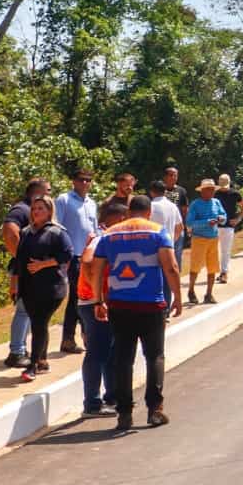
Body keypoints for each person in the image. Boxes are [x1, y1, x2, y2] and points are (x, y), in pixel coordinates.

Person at [95, 195, 182, 430]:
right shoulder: (158, 232)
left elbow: (97, 269)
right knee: (154, 356)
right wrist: (177, 297)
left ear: (128, 212)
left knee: (123, 359)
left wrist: (98, 300)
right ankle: (155, 409)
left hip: (119, 305)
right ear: (149, 212)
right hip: (150, 304)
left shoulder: (109, 234)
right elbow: (171, 267)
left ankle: (124, 413)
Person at [13, 195, 74, 383]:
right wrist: (14, 283)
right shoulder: (26, 232)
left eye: (41, 208)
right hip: (28, 286)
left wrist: (43, 264)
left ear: (49, 211)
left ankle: (32, 366)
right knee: (38, 324)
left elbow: (67, 254)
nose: (36, 211)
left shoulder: (57, 232)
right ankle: (42, 360)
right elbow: (18, 259)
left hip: (51, 287)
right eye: (34, 208)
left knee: (39, 322)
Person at [78, 200, 126, 418]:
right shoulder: (100, 239)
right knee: (97, 353)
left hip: (101, 303)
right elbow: (87, 262)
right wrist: (98, 298)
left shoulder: (108, 239)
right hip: (94, 304)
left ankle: (112, 396)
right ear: (118, 219)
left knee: (109, 352)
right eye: (125, 219)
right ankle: (92, 404)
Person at [1, 179, 49, 369]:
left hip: (34, 269)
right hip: (26, 270)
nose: (50, 194)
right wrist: (24, 258)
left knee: (30, 311)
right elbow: (9, 231)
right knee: (23, 310)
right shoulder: (21, 209)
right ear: (37, 193)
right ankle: (16, 352)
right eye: (48, 190)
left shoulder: (32, 211)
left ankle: (22, 349)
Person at [55, 168, 99, 355]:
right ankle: (70, 338)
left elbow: (94, 229)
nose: (85, 183)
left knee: (87, 296)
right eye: (81, 179)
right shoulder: (64, 200)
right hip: (72, 256)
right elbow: (57, 227)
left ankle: (84, 335)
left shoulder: (92, 203)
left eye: (88, 180)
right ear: (73, 181)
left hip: (88, 255)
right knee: (77, 297)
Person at [185, 179, 226, 305]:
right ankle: (191, 290)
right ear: (202, 191)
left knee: (213, 267)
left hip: (213, 238)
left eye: (213, 190)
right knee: (195, 266)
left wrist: (221, 218)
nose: (211, 192)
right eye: (209, 189)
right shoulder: (195, 204)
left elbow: (224, 215)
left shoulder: (216, 202)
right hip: (199, 238)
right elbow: (189, 222)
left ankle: (209, 293)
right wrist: (206, 222)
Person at [148, 180, 184, 313]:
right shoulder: (172, 206)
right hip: (168, 247)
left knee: (154, 278)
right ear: (165, 192)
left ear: (151, 192)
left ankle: (156, 307)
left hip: (152, 248)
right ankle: (166, 309)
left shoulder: (150, 206)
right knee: (168, 277)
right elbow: (180, 227)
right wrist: (172, 241)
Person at [214, 174, 243, 284]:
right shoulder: (215, 194)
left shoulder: (234, 193)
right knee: (215, 250)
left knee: (226, 251)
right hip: (216, 225)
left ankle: (224, 272)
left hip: (228, 225)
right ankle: (218, 271)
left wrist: (238, 219)